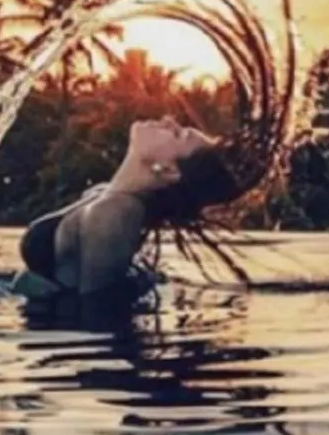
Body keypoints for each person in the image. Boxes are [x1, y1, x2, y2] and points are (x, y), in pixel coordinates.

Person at [14, 115, 244, 307]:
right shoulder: (103, 195)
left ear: (169, 170)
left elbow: (96, 315)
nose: (168, 121)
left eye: (178, 134)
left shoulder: (117, 213)